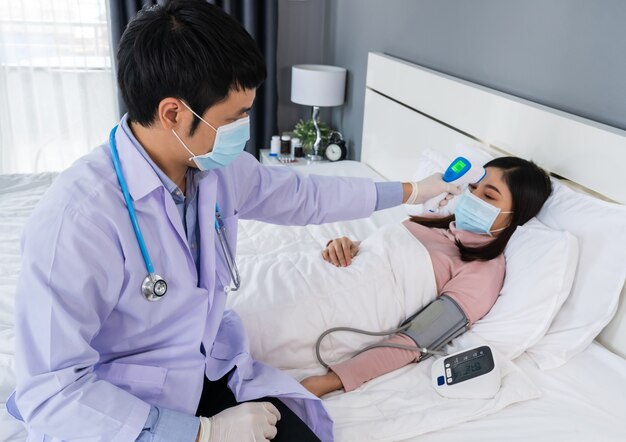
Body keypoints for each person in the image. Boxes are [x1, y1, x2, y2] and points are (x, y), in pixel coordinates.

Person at [6, 1, 460, 441]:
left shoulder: (212, 167)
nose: (244, 128)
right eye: (235, 117)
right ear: (173, 113)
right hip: (123, 410)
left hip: (205, 368)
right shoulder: (77, 221)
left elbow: (304, 196)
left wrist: (411, 191)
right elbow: (52, 391)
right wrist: (201, 433)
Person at [300, 157, 552, 397]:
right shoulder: (432, 221)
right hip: (311, 274)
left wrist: (330, 381)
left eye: (488, 196)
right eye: (473, 188)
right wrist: (344, 244)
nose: (473, 198)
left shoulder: (483, 271)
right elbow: (374, 254)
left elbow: (415, 339)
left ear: (515, 216)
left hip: (321, 311)